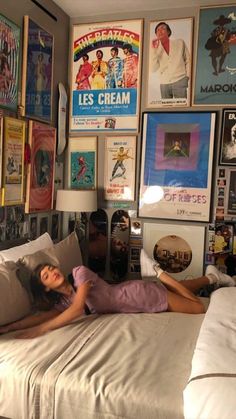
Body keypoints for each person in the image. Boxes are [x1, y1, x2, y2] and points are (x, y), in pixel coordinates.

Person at [0, 250, 235, 339]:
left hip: (139, 295)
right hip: (134, 298)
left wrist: (41, 331)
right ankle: (213, 277)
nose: (52, 272)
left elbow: (77, 309)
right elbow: (43, 315)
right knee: (184, 289)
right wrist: (13, 327)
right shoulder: (63, 300)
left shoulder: (79, 274)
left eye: (50, 268)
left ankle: (159, 274)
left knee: (198, 308)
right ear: (46, 289)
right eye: (46, 276)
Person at [151, 22, 190, 100]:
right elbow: (153, 69)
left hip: (180, 80)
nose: (160, 31)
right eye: (157, 30)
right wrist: (154, 50)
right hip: (164, 83)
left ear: (168, 32)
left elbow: (188, 60)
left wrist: (187, 77)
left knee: (182, 108)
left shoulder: (179, 42)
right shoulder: (155, 50)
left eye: (163, 28)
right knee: (166, 110)